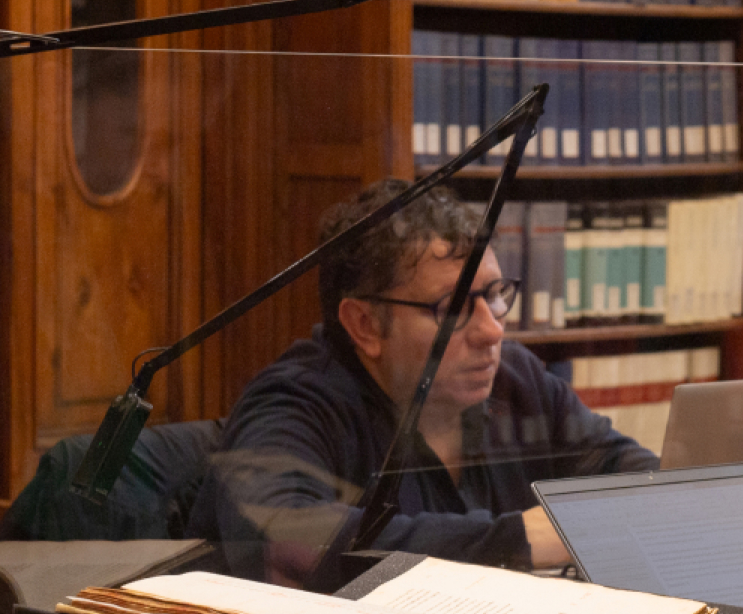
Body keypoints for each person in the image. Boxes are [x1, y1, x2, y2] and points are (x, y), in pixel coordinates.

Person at [194, 180, 657, 586]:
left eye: (496, 297)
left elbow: (624, 468)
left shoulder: (516, 379)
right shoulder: (296, 401)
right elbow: (291, 541)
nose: (492, 331)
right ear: (365, 325)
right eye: (453, 309)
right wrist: (517, 539)